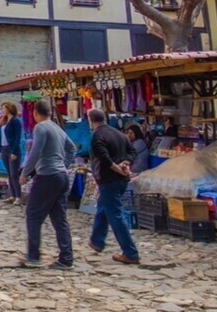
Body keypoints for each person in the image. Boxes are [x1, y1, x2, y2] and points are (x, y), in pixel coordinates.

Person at [18, 99, 76, 269]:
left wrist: (25, 173)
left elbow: (36, 151)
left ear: (35, 113)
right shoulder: (57, 128)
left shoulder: (40, 127)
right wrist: (63, 166)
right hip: (61, 176)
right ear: (50, 113)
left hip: (47, 176)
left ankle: (33, 255)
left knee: (33, 214)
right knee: (59, 218)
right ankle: (66, 258)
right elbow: (72, 149)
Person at [86, 108, 140, 265]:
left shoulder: (97, 135)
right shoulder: (119, 134)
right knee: (103, 207)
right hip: (120, 180)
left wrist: (117, 167)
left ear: (90, 120)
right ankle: (97, 240)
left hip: (109, 178)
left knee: (115, 214)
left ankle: (130, 252)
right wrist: (126, 163)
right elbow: (132, 151)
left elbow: (103, 157)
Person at [0, 101, 25, 204]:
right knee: (9, 173)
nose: (2, 111)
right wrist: (0, 149)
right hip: (4, 148)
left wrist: (14, 151)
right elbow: (0, 137)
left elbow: (17, 137)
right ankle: (12, 195)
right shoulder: (3, 122)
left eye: (3, 109)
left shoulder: (15, 121)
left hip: (12, 149)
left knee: (14, 173)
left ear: (9, 109)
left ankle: (18, 196)